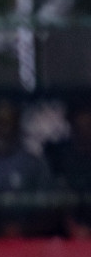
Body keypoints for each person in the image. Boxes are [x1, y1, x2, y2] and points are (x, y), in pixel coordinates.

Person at [0, 98, 53, 237]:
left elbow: (48, 209)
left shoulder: (34, 164)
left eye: (8, 123)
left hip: (28, 240)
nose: (2, 129)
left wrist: (24, 229)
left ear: (17, 125)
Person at [46, 99, 91, 237]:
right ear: (71, 121)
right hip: (62, 233)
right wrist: (71, 226)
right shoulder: (55, 154)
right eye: (81, 116)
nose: (85, 123)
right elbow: (49, 195)